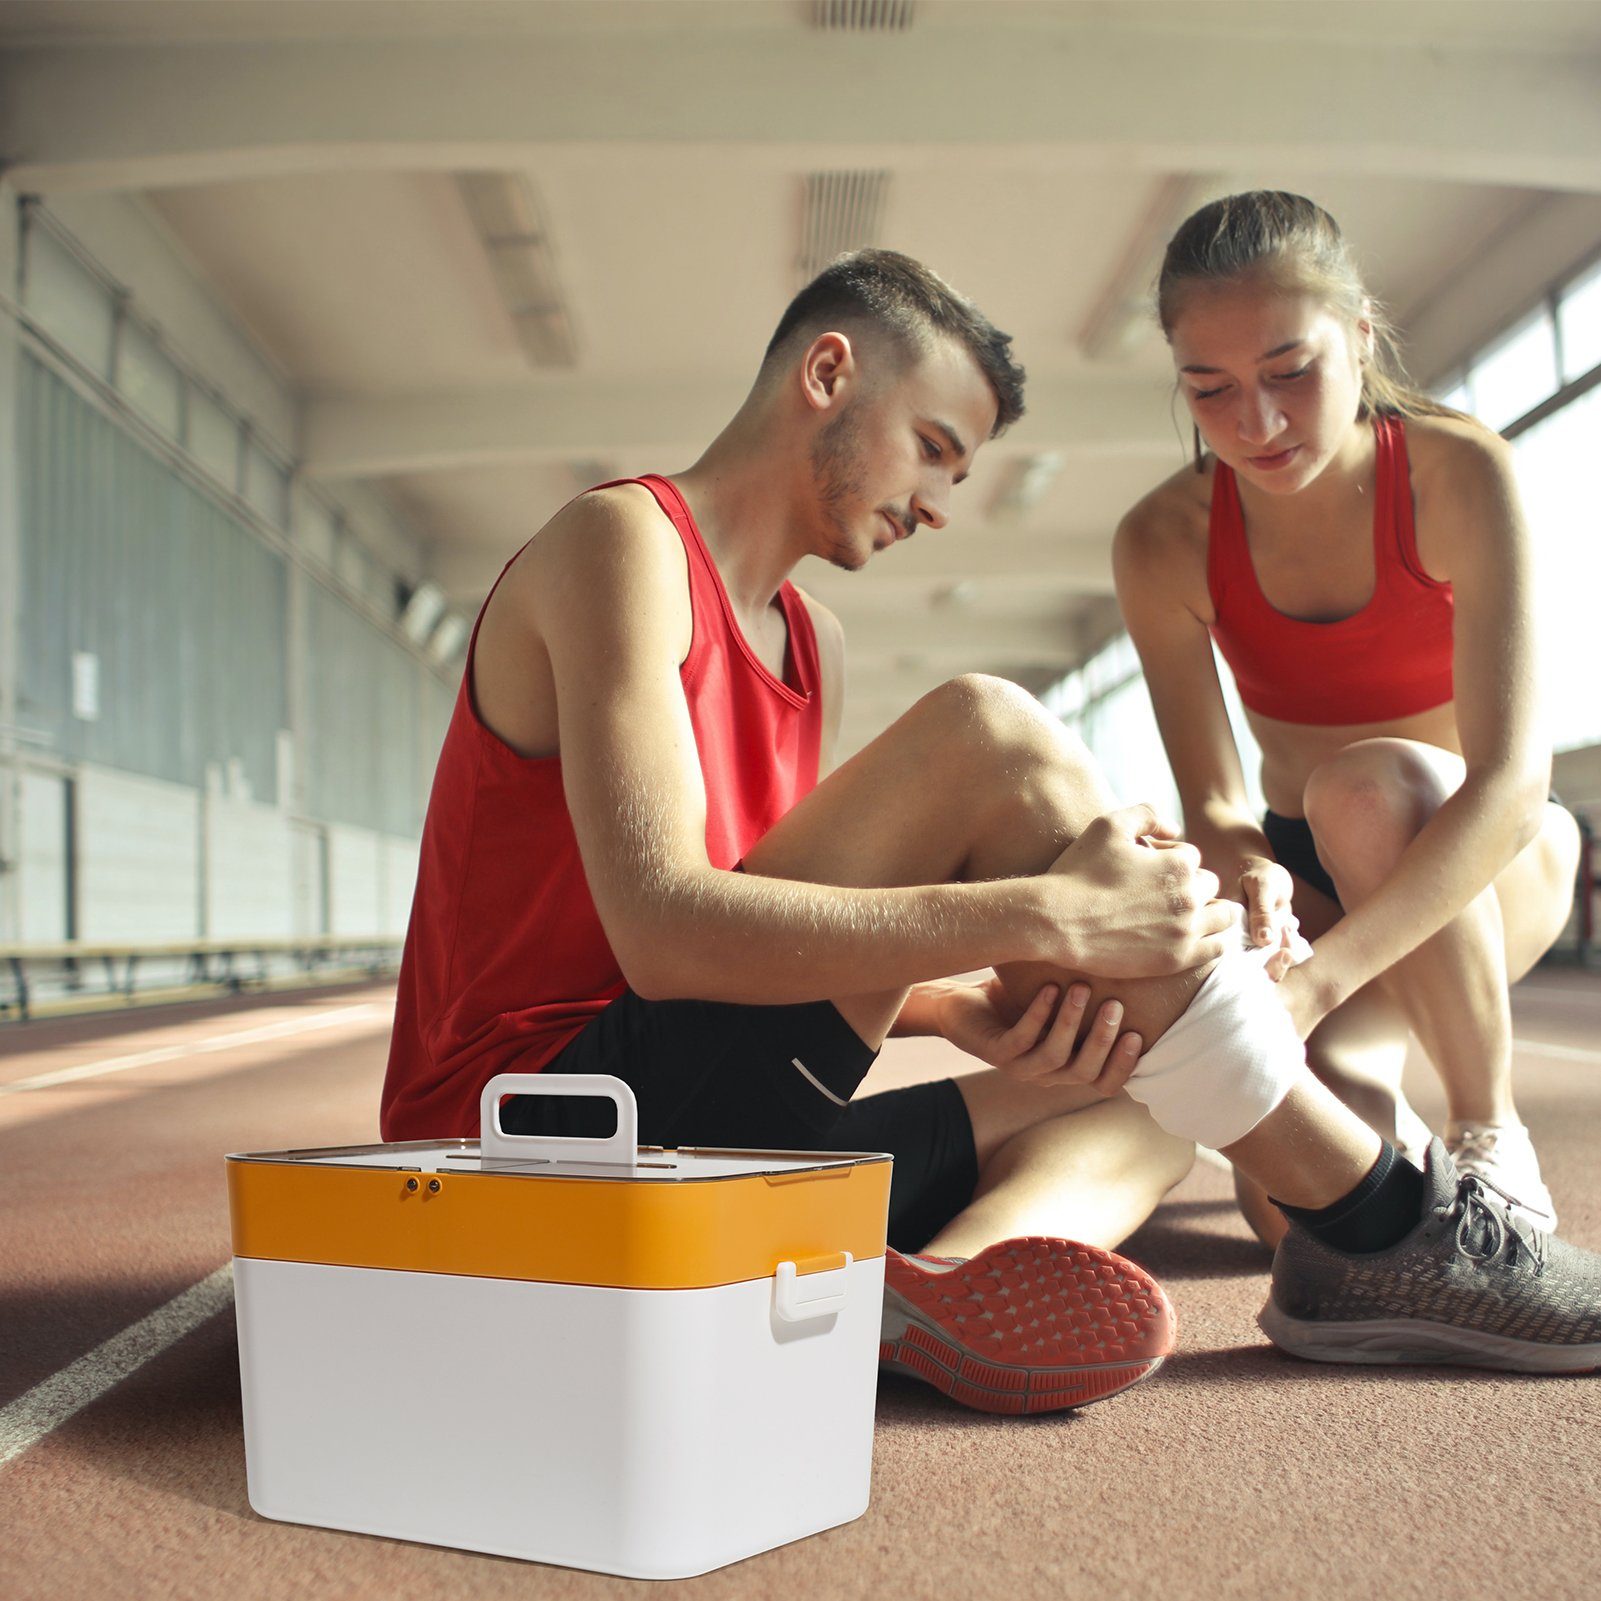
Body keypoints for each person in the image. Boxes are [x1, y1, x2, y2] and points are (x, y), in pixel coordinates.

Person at [383, 249, 1601, 1415]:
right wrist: (1042, 916)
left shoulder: (814, 642)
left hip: (693, 1142)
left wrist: (962, 1010)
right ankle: (1389, 1220)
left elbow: (765, 931)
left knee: (1139, 1092)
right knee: (986, 728)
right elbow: (661, 933)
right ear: (827, 374)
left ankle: (916, 1292)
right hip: (529, 1141)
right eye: (931, 449)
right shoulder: (623, 545)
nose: (936, 505)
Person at [1114, 192, 1583, 1246]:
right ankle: (1383, 1109)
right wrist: (1252, 875)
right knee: (1298, 1216)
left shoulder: (1460, 474)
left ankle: (1485, 1127)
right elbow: (1218, 799)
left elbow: (1508, 782)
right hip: (1313, 880)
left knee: (1365, 788)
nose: (1256, 423)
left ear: (1360, 335)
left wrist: (1319, 983)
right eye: (1209, 389)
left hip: (1483, 855)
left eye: (1289, 373)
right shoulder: (1162, 539)